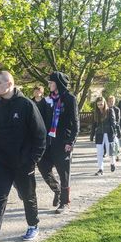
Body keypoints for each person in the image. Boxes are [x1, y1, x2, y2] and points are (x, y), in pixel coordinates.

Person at [0, 71, 46, 242]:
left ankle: (33, 225)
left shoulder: (26, 105)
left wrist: (32, 160)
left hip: (23, 163)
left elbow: (40, 135)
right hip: (2, 163)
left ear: (10, 83)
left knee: (28, 195)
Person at [36, 72, 79, 214]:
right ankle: (57, 190)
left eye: (51, 82)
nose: (48, 85)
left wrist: (70, 141)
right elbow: (37, 117)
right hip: (48, 143)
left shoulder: (70, 99)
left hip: (62, 142)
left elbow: (75, 123)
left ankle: (64, 202)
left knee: (63, 173)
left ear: (58, 83)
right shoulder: (46, 100)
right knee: (42, 166)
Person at [90, 97, 117, 175]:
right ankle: (100, 169)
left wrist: (115, 132)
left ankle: (112, 163)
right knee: (99, 153)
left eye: (101, 104)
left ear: (104, 103)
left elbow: (113, 123)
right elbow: (93, 125)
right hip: (99, 134)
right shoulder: (95, 112)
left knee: (110, 152)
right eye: (98, 105)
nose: (100, 106)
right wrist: (91, 135)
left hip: (109, 133)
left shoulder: (110, 111)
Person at [106, 95, 121, 161]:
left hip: (115, 128)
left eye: (112, 101)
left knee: (116, 142)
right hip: (107, 128)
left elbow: (118, 120)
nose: (111, 102)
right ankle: (108, 153)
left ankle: (117, 154)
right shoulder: (106, 109)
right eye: (110, 101)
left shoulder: (117, 109)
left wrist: (116, 127)